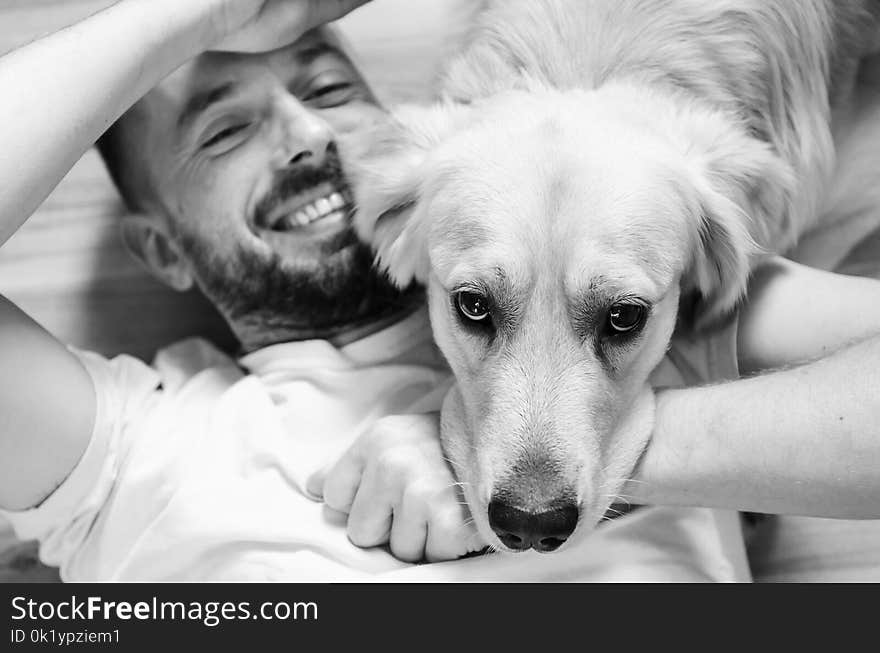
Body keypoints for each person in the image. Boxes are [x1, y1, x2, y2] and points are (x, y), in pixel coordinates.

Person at [0, 0, 879, 582]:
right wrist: (190, 13)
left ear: (401, 201)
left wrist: (633, 450)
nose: (309, 135)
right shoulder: (137, 447)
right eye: (225, 130)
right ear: (161, 250)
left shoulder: (675, 316)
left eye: (331, 89)